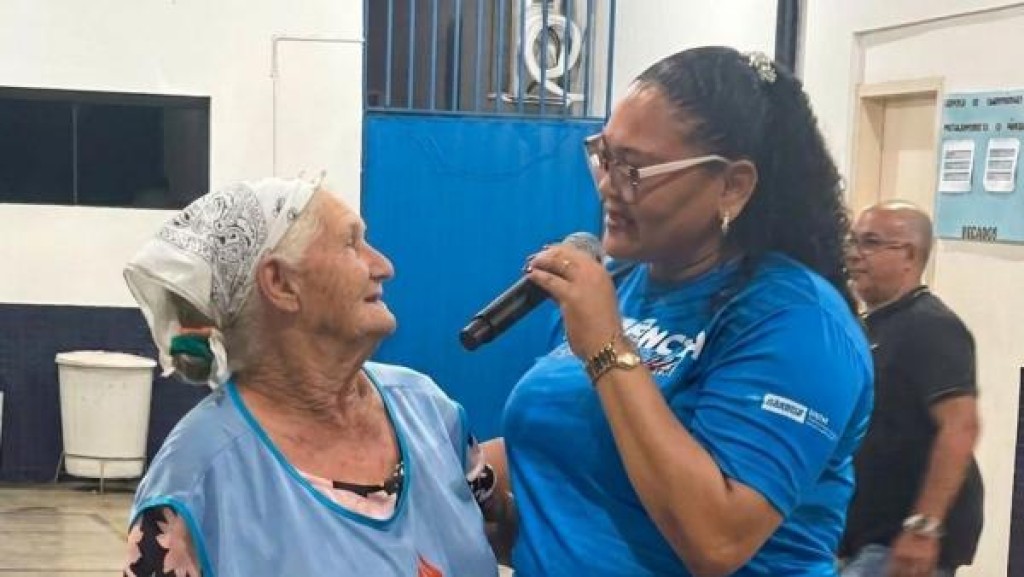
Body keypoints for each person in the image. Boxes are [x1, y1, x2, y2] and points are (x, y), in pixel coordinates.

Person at [480, 46, 875, 576]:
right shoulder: (615, 289)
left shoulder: (798, 324)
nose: (607, 185)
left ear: (732, 186)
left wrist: (606, 346)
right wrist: (464, 473)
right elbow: (580, 459)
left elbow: (717, 539)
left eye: (635, 168)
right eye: (604, 156)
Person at [120, 177, 499, 577]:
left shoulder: (429, 411)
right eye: (351, 244)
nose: (384, 266)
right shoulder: (196, 481)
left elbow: (502, 526)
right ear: (281, 283)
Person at [840, 201, 983, 577]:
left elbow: (960, 427)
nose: (854, 254)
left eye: (870, 243)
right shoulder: (872, 326)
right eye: (852, 241)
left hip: (899, 543)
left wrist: (924, 527)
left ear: (909, 255)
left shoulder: (931, 327)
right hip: (864, 538)